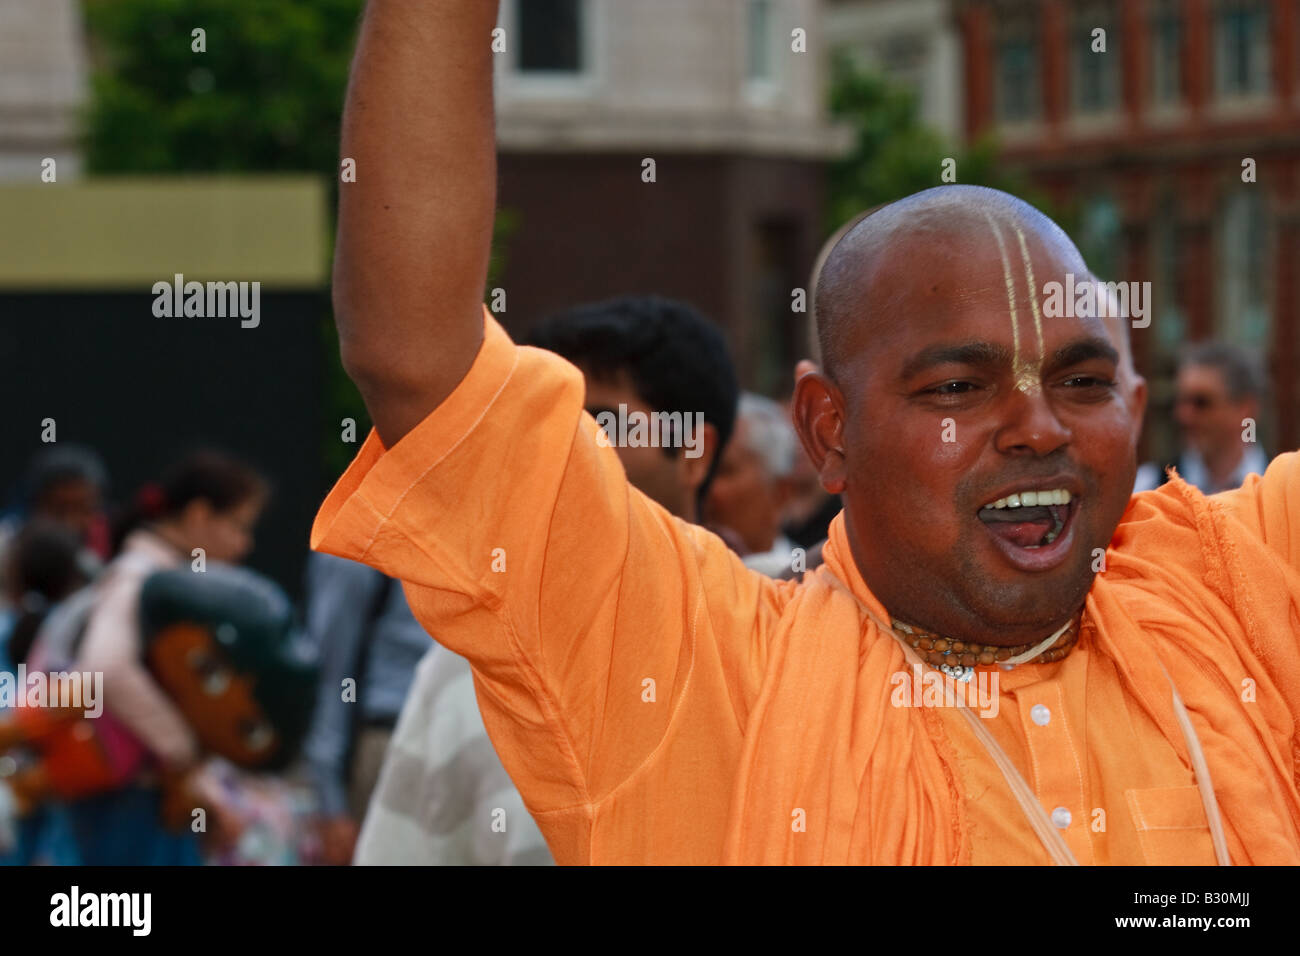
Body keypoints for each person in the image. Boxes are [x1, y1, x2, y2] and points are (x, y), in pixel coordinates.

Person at [312, 2, 1300, 865]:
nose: (1037, 426)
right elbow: (419, 357)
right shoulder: (704, 673)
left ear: (1137, 403)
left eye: (1083, 380)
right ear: (828, 430)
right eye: (959, 384)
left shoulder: (1238, 588)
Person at [353, 293, 739, 865]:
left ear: (691, 452)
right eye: (544, 423)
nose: (566, 449)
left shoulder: (787, 644)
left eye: (600, 421)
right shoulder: (467, 664)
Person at [66, 449, 267, 865]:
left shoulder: (162, 578)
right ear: (198, 515)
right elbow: (104, 669)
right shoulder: (141, 577)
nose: (245, 545)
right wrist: (185, 751)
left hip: (141, 804)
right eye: (238, 526)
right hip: (129, 808)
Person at [301, 553, 433, 865]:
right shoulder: (358, 548)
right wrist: (331, 802)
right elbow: (331, 674)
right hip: (385, 749)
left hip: (460, 748)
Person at [1134, 341, 1268, 494]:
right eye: (1180, 401)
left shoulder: (1287, 489)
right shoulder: (1149, 485)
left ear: (1245, 409)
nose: (1184, 416)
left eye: (1201, 403)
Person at [705, 392, 799, 576]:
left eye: (721, 471)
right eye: (692, 466)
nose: (699, 482)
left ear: (780, 494)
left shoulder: (813, 585)